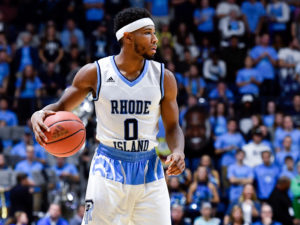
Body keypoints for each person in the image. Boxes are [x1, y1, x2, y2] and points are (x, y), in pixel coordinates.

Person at [31, 8, 185, 225]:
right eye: (148, 33)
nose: (155, 39)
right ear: (128, 36)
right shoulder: (95, 73)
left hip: (149, 168)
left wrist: (178, 151)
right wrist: (39, 114)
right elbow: (59, 107)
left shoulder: (164, 77)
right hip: (108, 165)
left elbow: (172, 126)